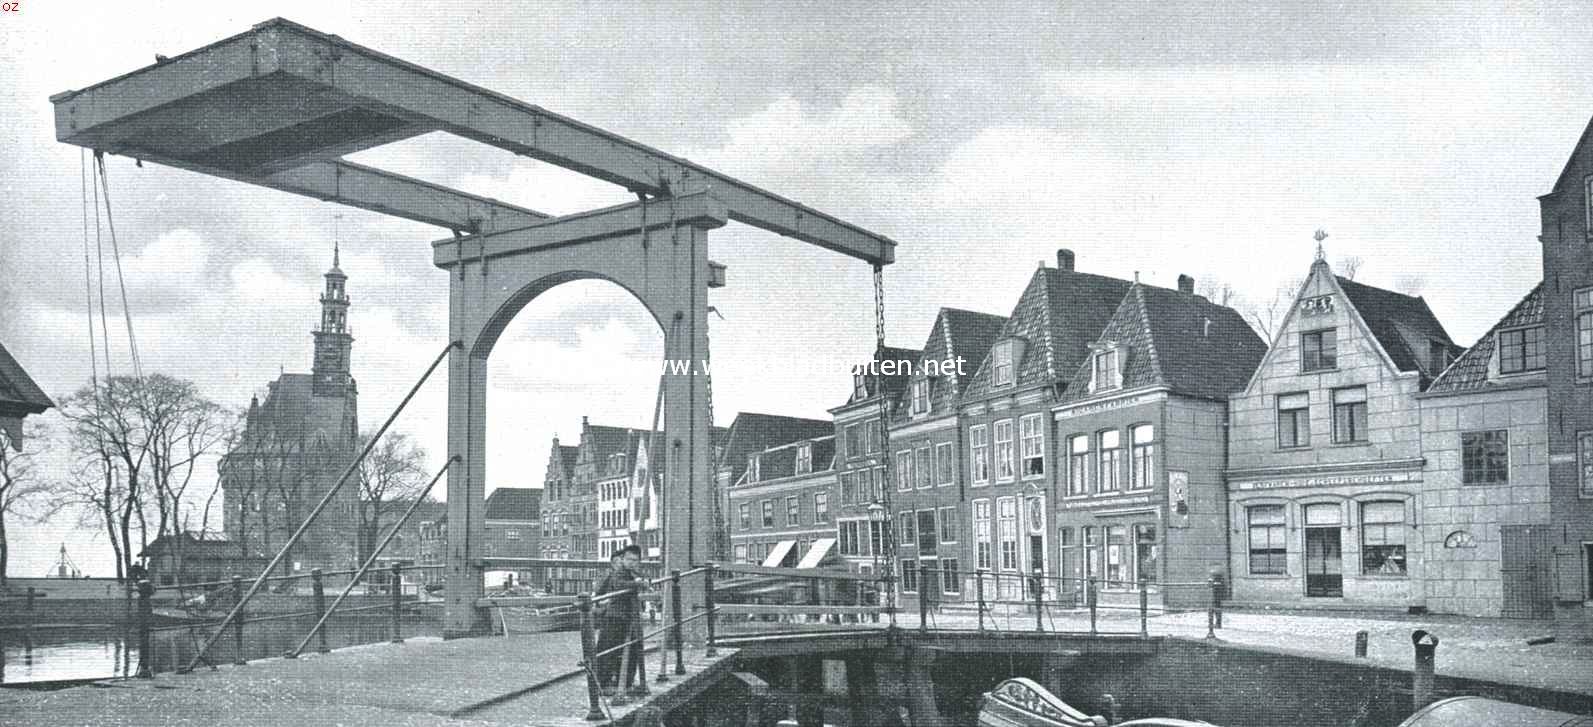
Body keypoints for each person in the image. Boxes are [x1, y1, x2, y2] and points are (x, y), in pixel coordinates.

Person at [593, 544, 649, 694]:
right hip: (615, 617)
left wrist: (641, 582)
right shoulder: (618, 573)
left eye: (635, 560)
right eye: (629, 559)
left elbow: (638, 583)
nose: (631, 562)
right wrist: (638, 584)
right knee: (609, 650)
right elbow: (618, 585)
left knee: (631, 650)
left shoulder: (633, 573)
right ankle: (603, 684)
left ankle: (624, 683)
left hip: (628, 617)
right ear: (623, 559)